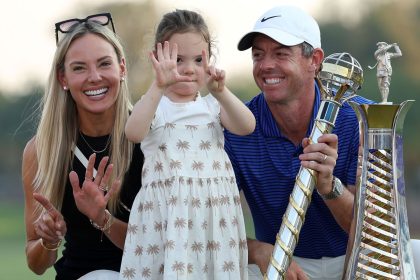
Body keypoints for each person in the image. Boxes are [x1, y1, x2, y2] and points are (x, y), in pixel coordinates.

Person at [224, 5, 372, 279]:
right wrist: (257, 250)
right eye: (258, 55)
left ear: (314, 60)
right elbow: (213, 225)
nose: (266, 65)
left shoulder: (362, 119)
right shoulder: (237, 127)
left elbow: (373, 229)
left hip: (356, 255)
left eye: (280, 53)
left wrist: (329, 187)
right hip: (281, 261)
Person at [119, 9, 255, 280]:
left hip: (213, 218)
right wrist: (158, 87)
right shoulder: (155, 105)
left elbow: (247, 125)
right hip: (169, 219)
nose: (188, 68)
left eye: (197, 60)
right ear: (157, 59)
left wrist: (222, 92)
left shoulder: (212, 106)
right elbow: (133, 133)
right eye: (177, 60)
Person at [22, 13, 144, 280]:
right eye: (79, 68)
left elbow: (162, 242)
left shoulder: (153, 137)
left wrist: (103, 218)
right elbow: (36, 264)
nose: (94, 77)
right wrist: (49, 240)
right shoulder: (41, 150)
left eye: (104, 64)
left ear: (121, 68)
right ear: (63, 79)